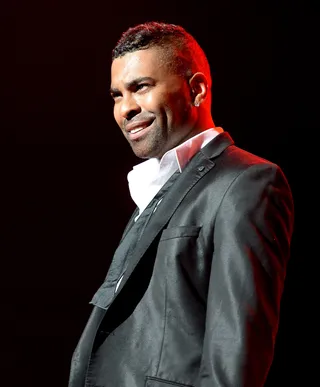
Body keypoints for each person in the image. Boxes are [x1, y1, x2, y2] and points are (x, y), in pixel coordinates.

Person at [68, 21, 294, 387]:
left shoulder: (247, 182)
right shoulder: (154, 189)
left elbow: (234, 356)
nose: (125, 108)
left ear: (198, 90)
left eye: (140, 87)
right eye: (117, 95)